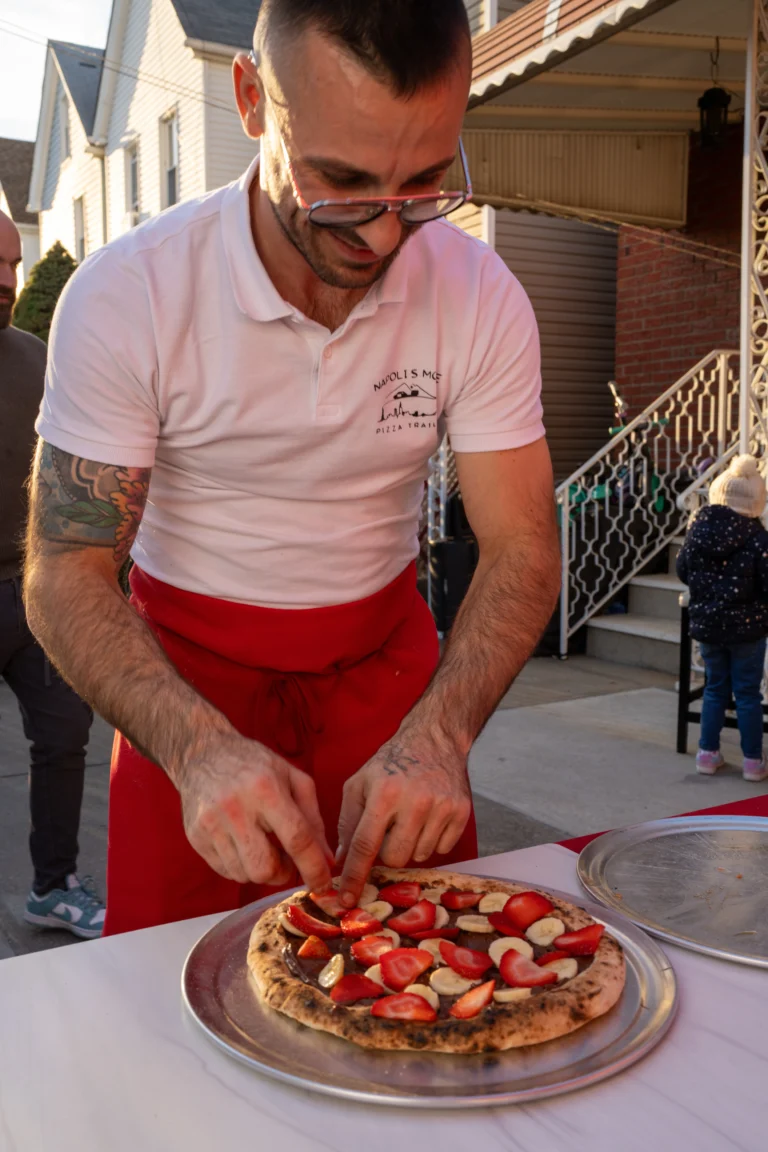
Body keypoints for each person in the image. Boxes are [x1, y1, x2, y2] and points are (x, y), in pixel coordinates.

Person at [24, 0, 560, 936]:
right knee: (174, 1018)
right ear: (251, 102)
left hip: (391, 696)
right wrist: (196, 751)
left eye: (424, 184)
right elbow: (64, 571)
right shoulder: (129, 294)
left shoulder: (480, 294)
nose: (387, 237)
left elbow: (522, 543)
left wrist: (441, 734)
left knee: (435, 1007)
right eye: (342, 183)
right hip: (182, 696)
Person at [0, 209, 105, 937]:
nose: (4, 281)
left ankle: (53, 885)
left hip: (33, 591)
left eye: (10, 265)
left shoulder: (35, 357)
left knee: (65, 737)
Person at [677, 454, 768, 782]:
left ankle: (707, 753)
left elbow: (683, 571)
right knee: (747, 693)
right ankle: (753, 762)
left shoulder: (698, 530)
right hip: (748, 629)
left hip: (709, 627)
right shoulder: (758, 539)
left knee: (714, 687)